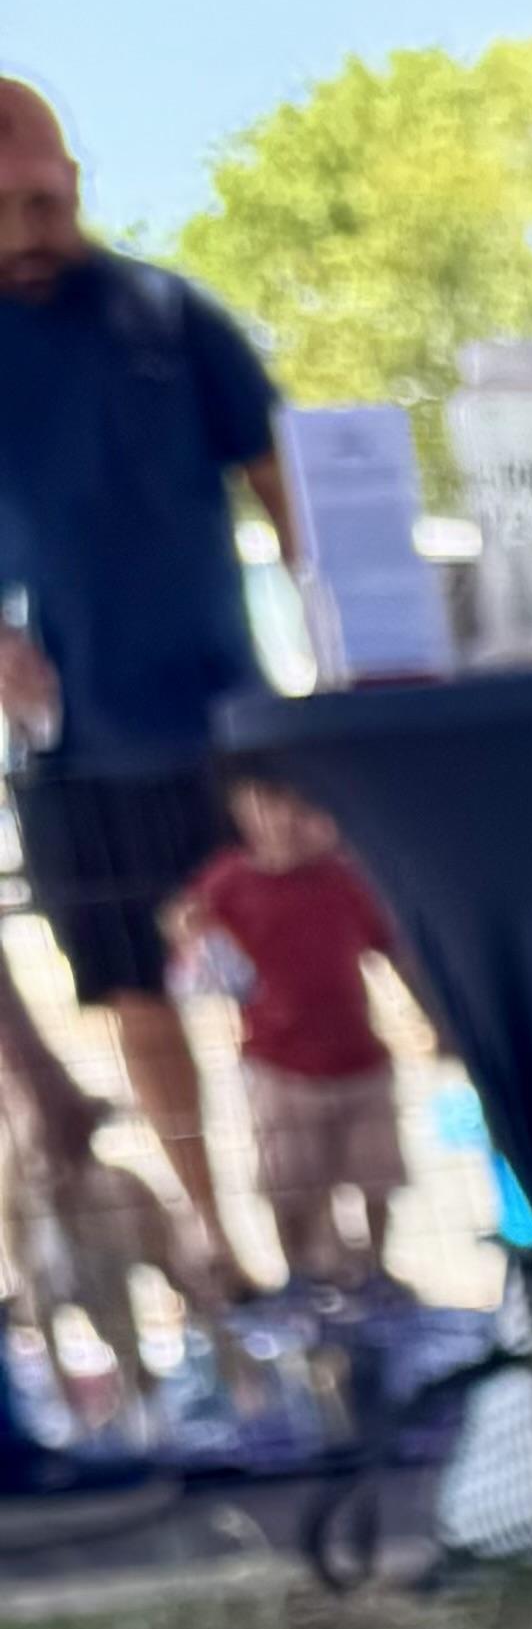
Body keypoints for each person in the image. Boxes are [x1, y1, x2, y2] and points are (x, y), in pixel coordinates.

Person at [0, 76, 291, 1277]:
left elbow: (295, 499)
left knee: (294, 981)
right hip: (72, 761)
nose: (27, 228)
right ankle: (219, 1241)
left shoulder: (176, 318)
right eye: (1, 208)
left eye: (43, 198)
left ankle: (327, 1240)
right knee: (135, 1001)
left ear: (74, 177)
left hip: (228, 728)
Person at [175, 777, 417, 1290]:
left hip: (362, 1060)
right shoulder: (226, 882)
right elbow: (189, 950)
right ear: (243, 808)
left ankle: (376, 1273)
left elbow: (395, 953)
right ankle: (305, 1280)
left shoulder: (347, 878)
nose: (287, 820)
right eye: (271, 805)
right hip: (280, 1067)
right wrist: (190, 933)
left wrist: (437, 1024)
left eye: (301, 805)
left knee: (379, 1178)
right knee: (290, 1188)